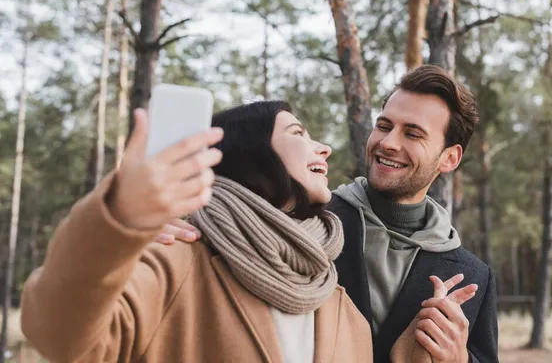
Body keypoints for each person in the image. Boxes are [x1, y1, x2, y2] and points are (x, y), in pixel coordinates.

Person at [21, 100, 475, 363]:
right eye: (298, 132)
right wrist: (117, 218)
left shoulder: (338, 307)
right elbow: (59, 337)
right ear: (253, 157)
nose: (324, 146)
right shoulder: (176, 258)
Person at [163, 66, 499, 363]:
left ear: (449, 158)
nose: (388, 142)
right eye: (384, 126)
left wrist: (458, 360)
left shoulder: (473, 276)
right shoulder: (298, 223)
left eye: (412, 133)